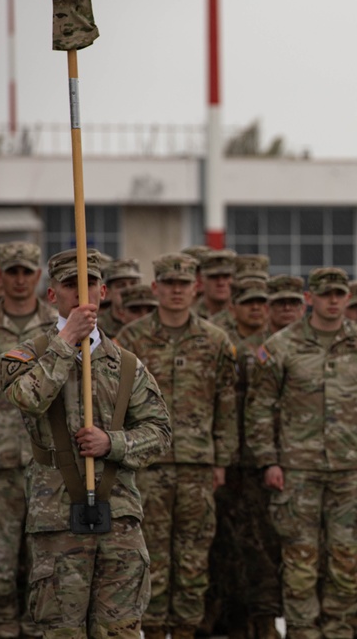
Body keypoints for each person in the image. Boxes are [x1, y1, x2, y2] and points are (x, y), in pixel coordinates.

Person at [1, 248, 172, 637]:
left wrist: (113, 444)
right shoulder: (26, 355)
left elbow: (160, 432)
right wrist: (66, 340)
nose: (81, 294)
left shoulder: (126, 364)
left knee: (120, 630)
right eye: (70, 285)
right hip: (57, 517)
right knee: (62, 630)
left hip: (120, 516)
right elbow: (27, 398)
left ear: (104, 292)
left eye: (90, 284)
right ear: (51, 295)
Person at [245, 267, 357, 639]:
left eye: (338, 294)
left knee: (347, 559)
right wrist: (269, 460)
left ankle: (338, 630)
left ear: (347, 298)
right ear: (310, 299)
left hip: (350, 470)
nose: (332, 301)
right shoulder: (281, 346)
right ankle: (303, 632)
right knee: (300, 560)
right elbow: (260, 406)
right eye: (324, 294)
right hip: (296, 470)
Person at [115, 253, 238, 639]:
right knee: (148, 555)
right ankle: (149, 629)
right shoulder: (131, 339)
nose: (176, 292)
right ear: (156, 288)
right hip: (145, 464)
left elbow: (226, 404)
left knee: (193, 557)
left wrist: (221, 459)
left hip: (198, 465)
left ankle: (185, 629)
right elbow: (115, 404)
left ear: (195, 288)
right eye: (168, 284)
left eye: (183, 285)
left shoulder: (216, 340)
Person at [205, 277, 282, 638]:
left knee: (262, 543)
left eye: (261, 301)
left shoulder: (276, 345)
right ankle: (228, 616)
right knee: (223, 543)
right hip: (225, 458)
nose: (256, 307)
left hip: (259, 459)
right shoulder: (220, 342)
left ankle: (263, 618)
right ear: (232, 306)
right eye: (247, 301)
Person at [0, 242, 57, 638]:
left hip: (44, 461)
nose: (18, 280)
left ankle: (36, 629)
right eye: (10, 272)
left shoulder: (56, 328)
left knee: (42, 559)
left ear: (37, 276)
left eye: (26, 272)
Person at [97, 258, 143, 338]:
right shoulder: (97, 328)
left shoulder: (151, 320)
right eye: (121, 285)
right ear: (107, 293)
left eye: (133, 283)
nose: (129, 290)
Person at [194, 249, 236, 319]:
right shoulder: (189, 315)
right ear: (202, 279)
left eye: (226, 276)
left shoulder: (242, 315)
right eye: (214, 277)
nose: (221, 283)